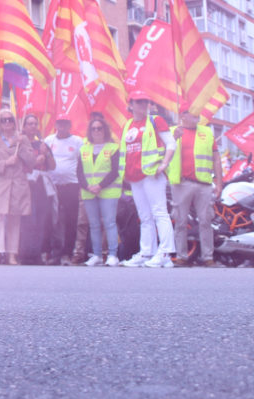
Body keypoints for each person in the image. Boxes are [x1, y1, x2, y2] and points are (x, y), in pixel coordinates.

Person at [119, 90, 176, 268]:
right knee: (145, 217)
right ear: (131, 105)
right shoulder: (128, 124)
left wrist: (163, 165)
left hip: (152, 174)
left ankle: (165, 253)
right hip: (134, 176)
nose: (143, 105)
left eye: (146, 102)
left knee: (159, 212)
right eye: (139, 102)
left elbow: (171, 144)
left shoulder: (155, 120)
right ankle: (147, 252)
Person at [168, 108, 223, 267]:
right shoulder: (173, 132)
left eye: (197, 112)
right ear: (182, 115)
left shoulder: (206, 132)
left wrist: (219, 183)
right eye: (192, 113)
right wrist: (172, 138)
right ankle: (181, 257)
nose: (196, 115)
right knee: (180, 221)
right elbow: (160, 154)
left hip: (204, 184)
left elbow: (216, 159)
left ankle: (208, 257)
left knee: (206, 220)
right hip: (181, 183)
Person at [0, 109, 36, 265]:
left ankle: (12, 253)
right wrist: (5, 163)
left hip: (17, 183)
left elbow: (32, 162)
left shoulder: (22, 139)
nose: (7, 123)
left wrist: (22, 149)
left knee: (14, 218)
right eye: (4, 120)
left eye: (10, 119)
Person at [77, 117, 122, 266]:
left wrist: (100, 186)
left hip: (108, 191)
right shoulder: (84, 148)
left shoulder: (113, 148)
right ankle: (96, 255)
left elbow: (115, 171)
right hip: (89, 191)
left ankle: (112, 255)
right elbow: (79, 172)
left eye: (99, 128)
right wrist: (87, 186)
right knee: (94, 224)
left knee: (109, 223)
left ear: (105, 130)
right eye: (93, 128)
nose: (96, 131)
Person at [44, 116, 84, 265]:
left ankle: (67, 253)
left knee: (71, 220)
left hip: (71, 185)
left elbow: (82, 162)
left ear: (70, 125)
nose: (62, 126)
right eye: (60, 123)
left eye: (65, 124)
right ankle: (53, 252)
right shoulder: (48, 140)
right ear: (55, 124)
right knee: (52, 219)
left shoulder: (78, 141)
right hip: (52, 186)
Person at [19, 113, 56, 265]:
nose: (33, 126)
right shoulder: (20, 143)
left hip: (41, 186)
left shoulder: (42, 145)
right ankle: (25, 253)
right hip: (26, 184)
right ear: (24, 126)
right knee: (28, 220)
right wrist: (35, 162)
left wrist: (46, 155)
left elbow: (53, 166)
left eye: (35, 124)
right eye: (30, 124)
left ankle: (37, 253)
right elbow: (19, 165)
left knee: (41, 220)